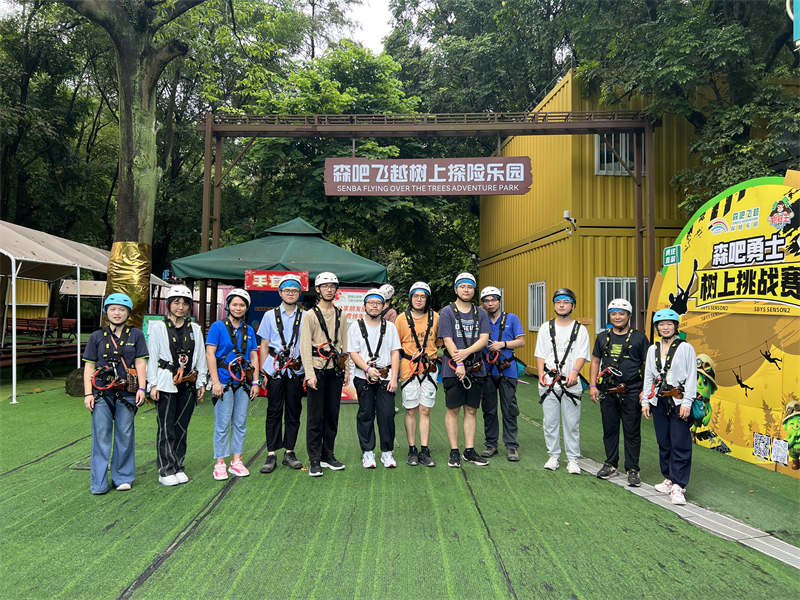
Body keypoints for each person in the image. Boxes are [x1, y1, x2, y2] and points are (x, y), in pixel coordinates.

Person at [82, 293, 147, 494]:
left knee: (125, 434)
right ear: (106, 312)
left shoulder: (136, 335)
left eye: (121, 309)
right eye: (112, 309)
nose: (117, 313)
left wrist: (142, 388)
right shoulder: (96, 336)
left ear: (128, 312)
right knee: (101, 436)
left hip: (126, 392)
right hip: (101, 392)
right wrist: (87, 394)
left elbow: (140, 363)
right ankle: (99, 482)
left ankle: (123, 477)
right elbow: (89, 367)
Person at [146, 285, 209, 486]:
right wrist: (152, 384)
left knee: (181, 426)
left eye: (184, 303)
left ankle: (178, 466)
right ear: (169, 305)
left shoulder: (195, 329)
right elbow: (152, 356)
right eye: (176, 302)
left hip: (188, 382)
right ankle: (165, 469)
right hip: (166, 382)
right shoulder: (158, 328)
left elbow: (200, 356)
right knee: (166, 427)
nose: (180, 307)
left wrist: (201, 382)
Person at [588, 298, 649, 486]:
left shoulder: (639, 338)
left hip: (632, 390)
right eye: (613, 313)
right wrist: (592, 385)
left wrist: (644, 391)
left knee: (632, 432)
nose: (617, 317)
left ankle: (633, 469)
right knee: (610, 429)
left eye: (621, 313)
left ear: (629, 316)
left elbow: (648, 366)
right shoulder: (602, 336)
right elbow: (596, 361)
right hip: (608, 389)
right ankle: (610, 464)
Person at [642, 308, 697, 506]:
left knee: (680, 443)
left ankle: (679, 485)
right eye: (661, 324)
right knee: (664, 441)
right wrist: (645, 401)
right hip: (659, 399)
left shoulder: (685, 348)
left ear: (676, 326)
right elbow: (649, 376)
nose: (665, 328)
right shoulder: (652, 349)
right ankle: (669, 477)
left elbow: (692, 376)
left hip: (679, 400)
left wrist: (687, 402)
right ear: (657, 327)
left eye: (669, 324)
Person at [206, 288, 260, 481]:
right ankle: (220, 462)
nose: (238, 308)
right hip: (224, 380)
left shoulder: (249, 330)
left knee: (240, 422)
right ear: (228, 305)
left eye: (242, 305)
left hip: (243, 381)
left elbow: (253, 355)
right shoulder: (218, 327)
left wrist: (255, 381)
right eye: (235, 304)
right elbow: (210, 354)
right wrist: (215, 381)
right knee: (222, 423)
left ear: (246, 308)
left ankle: (236, 460)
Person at [535, 288, 590, 475]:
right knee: (550, 421)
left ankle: (573, 458)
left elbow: (582, 354)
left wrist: (575, 372)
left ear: (572, 306)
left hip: (570, 381)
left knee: (572, 422)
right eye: (558, 302)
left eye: (566, 302)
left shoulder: (580, 330)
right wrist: (541, 373)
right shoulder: (546, 328)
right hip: (550, 380)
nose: (561, 305)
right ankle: (553, 456)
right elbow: (540, 353)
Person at [300, 272, 350, 477]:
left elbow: (344, 344)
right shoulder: (310, 315)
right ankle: (314, 459)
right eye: (325, 286)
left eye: (332, 286)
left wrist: (345, 370)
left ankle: (328, 455)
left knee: (332, 414)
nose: (329, 289)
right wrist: (309, 374)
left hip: (335, 370)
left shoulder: (341, 314)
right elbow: (305, 346)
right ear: (318, 289)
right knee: (314, 416)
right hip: (317, 370)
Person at [439, 272, 491, 467]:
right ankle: (454, 451)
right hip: (453, 368)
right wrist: (458, 362)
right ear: (456, 289)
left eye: (469, 287)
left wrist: (466, 354)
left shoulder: (481, 313)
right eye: (462, 286)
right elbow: (447, 339)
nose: (466, 290)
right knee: (453, 409)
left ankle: (469, 450)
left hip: (475, 367)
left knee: (471, 410)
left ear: (473, 290)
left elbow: (484, 338)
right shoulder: (448, 311)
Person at [257, 274, 305, 474]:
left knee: (294, 412)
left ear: (299, 293)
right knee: (273, 411)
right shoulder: (269, 315)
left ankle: (289, 452)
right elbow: (264, 345)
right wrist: (262, 373)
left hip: (295, 369)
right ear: (280, 293)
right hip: (274, 368)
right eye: (287, 290)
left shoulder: (306, 315)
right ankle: (271, 453)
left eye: (294, 290)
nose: (291, 293)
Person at [348, 289, 401, 468]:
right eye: (371, 303)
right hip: (363, 376)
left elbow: (395, 352)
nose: (374, 306)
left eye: (378, 303)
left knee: (387, 414)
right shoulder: (356, 326)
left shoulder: (390, 327)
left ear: (383, 305)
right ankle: (368, 452)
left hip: (386, 376)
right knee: (366, 413)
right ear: (365, 306)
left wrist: (394, 378)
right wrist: (368, 369)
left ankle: (387, 452)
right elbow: (353, 352)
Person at [396, 281, 441, 467]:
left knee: (425, 409)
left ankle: (425, 449)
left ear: (427, 298)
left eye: (423, 296)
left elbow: (438, 342)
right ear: (410, 298)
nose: (419, 299)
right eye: (416, 296)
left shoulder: (436, 317)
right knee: (411, 409)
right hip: (409, 368)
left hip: (429, 368)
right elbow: (396, 346)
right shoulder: (401, 319)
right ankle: (412, 449)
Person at [479, 286, 525, 462]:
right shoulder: (481, 320)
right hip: (487, 370)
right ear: (483, 304)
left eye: (493, 300)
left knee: (509, 409)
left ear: (499, 301)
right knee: (489, 409)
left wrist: (502, 344)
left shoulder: (511, 318)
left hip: (507, 369)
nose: (490, 303)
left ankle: (511, 446)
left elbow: (521, 342)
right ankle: (491, 444)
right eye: (487, 301)